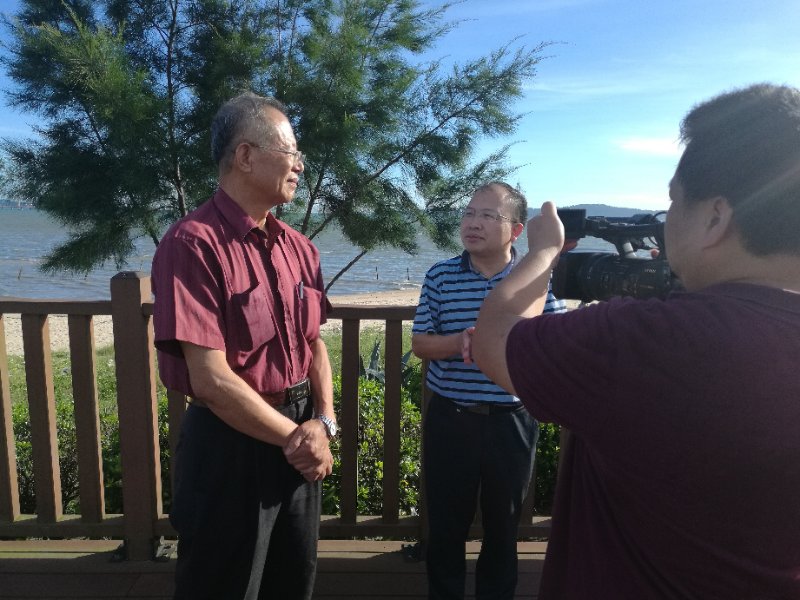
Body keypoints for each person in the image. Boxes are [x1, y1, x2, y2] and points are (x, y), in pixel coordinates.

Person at [472, 83, 800, 599]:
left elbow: (494, 339)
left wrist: (543, 253)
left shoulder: (651, 341)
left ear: (715, 217)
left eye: (672, 206)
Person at [151, 92, 338, 600]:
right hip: (230, 446)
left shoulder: (300, 249)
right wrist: (299, 439)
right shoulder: (192, 243)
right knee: (223, 586)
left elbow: (314, 345)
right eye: (291, 152)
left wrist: (323, 422)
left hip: (299, 435)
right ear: (246, 156)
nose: (299, 165)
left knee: (293, 580)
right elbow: (210, 379)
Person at [411, 182, 567, 600]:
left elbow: (552, 339)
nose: (473, 223)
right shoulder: (440, 275)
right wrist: (461, 341)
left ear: (516, 231)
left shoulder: (534, 278)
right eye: (468, 213)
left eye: (487, 216)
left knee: (503, 528)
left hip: (511, 421)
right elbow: (421, 343)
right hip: (451, 417)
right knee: (445, 527)